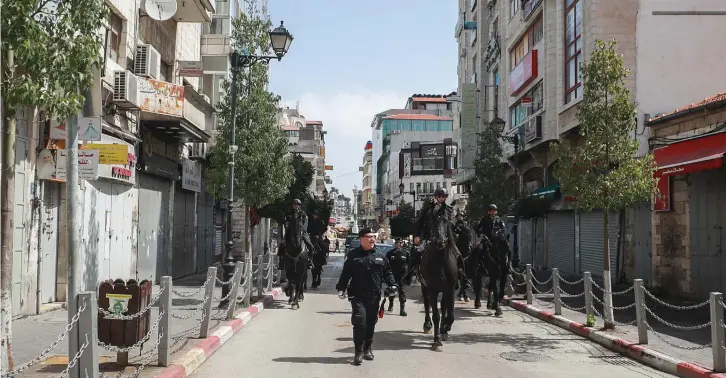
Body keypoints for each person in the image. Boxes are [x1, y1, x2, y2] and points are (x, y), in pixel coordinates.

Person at [336, 228, 397, 366]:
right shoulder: (353, 255)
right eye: (369, 237)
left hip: (374, 297)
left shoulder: (381, 255)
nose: (372, 239)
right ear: (361, 239)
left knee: (370, 323)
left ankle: (367, 348)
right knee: (360, 322)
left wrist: (393, 285)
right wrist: (341, 288)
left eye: (373, 237)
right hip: (357, 296)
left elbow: (388, 273)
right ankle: (358, 352)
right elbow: (346, 273)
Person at [413, 188, 465, 278]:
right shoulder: (428, 209)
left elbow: (452, 222)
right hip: (429, 238)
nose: (441, 198)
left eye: (443, 196)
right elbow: (419, 222)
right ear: (436, 197)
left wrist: (448, 221)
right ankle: (412, 272)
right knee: (416, 252)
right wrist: (417, 235)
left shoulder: (449, 209)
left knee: (459, 255)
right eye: (439, 196)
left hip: (447, 238)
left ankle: (462, 277)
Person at [475, 204, 510, 315]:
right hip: (487, 241)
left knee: (507, 249)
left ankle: (509, 265)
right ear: (488, 211)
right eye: (491, 210)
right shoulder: (484, 219)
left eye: (494, 210)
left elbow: (504, 229)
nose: (493, 212)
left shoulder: (499, 220)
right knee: (479, 250)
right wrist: (481, 235)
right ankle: (478, 266)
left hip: (497, 240)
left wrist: (501, 234)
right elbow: (477, 228)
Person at [385, 238, 410, 316]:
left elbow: (409, 265)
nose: (399, 244)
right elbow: (386, 265)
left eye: (400, 242)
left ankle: (402, 309)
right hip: (393, 276)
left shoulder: (406, 253)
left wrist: (408, 276)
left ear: (402, 244)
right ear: (395, 244)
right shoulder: (390, 253)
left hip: (402, 276)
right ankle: (391, 303)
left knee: (402, 292)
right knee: (392, 291)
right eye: (397, 242)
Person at [453, 212, 473, 302]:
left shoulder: (466, 225)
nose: (460, 217)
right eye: (458, 216)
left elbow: (469, 235)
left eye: (461, 216)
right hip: (456, 246)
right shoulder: (454, 225)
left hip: (465, 247)